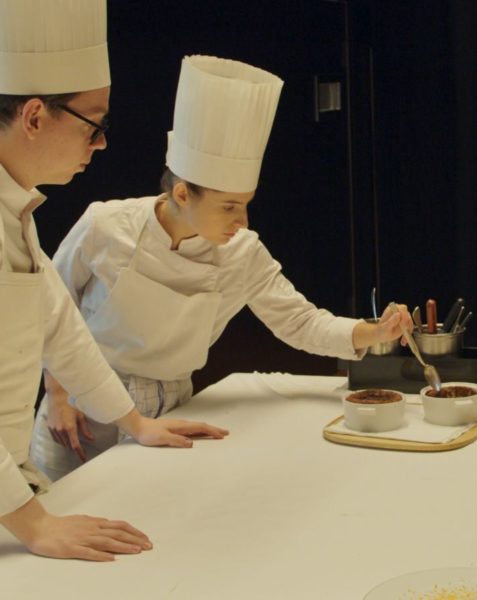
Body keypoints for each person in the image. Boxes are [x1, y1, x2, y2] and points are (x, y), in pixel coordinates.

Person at [30, 54, 410, 481]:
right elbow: (48, 308)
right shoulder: (105, 225)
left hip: (172, 406)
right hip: (82, 409)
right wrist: (57, 394)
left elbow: (300, 322)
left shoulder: (242, 252)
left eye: (245, 205)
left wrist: (374, 332)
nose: (241, 221)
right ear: (182, 194)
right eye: (228, 207)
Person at [0, 0, 228, 562]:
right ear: (35, 117)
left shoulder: (17, 213)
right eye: (94, 125)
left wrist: (134, 422)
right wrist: (35, 526)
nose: (101, 144)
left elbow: (64, 333)